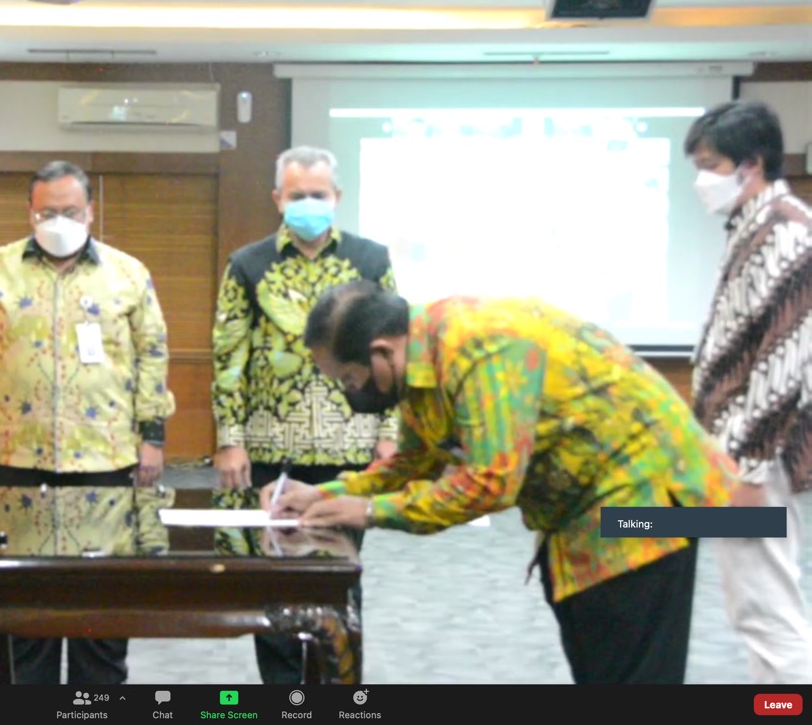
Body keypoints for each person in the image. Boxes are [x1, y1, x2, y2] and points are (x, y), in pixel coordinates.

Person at [268, 281, 738, 684]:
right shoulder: (418, 361)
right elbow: (412, 462)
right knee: (601, 666)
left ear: (381, 352)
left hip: (645, 502)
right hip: (579, 515)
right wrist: (325, 494)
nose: (351, 393)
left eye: (350, 379)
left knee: (632, 675)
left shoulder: (478, 345)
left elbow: (490, 481)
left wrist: (371, 512)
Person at [0, 159, 175, 684]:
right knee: (21, 613)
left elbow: (153, 354)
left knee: (102, 611)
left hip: (107, 460)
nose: (59, 221)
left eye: (70, 211)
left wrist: (153, 436)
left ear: (90, 212)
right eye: (46, 212)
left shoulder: (128, 273)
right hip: (15, 459)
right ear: (29, 213)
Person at [210, 145, 398, 684]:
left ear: (337, 197)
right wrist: (230, 439)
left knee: (338, 582)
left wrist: (390, 431)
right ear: (278, 198)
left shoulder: (371, 259)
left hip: (351, 449)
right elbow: (229, 355)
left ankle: (337, 688)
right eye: (297, 195)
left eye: (318, 194)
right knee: (273, 582)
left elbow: (391, 348)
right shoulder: (248, 264)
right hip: (272, 449)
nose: (308, 204)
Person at [686, 100, 812, 683]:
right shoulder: (755, 224)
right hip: (739, 450)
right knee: (759, 605)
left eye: (711, 165)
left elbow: (784, 364)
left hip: (756, 455)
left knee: (766, 609)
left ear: (752, 163)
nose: (702, 180)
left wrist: (750, 471)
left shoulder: (786, 233)